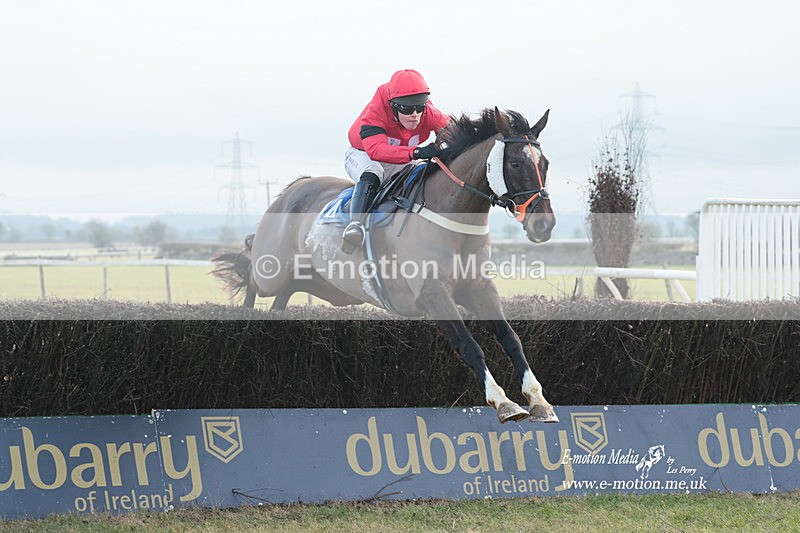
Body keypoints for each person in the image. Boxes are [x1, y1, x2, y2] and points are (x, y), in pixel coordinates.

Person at [342, 69, 451, 254]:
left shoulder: (427, 112)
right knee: (373, 171)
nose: (415, 114)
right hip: (363, 154)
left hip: (401, 156)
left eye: (419, 108)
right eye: (408, 109)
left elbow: (452, 131)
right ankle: (355, 226)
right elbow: (376, 150)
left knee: (424, 172)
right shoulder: (375, 112)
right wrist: (416, 152)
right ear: (393, 106)